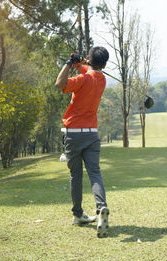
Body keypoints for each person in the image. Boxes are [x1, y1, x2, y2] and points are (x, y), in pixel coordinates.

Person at [55, 46, 110, 238]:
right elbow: (90, 69)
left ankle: (78, 214)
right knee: (94, 172)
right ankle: (101, 207)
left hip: (73, 135)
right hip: (91, 134)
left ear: (89, 58)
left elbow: (59, 83)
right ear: (104, 63)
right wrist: (80, 62)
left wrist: (69, 64)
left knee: (75, 175)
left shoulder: (82, 79)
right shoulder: (101, 79)